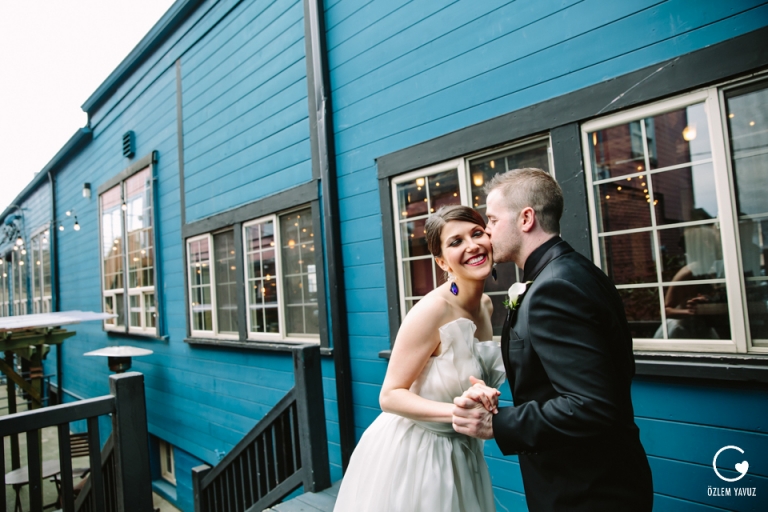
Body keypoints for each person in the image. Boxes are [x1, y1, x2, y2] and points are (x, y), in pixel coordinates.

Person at [452, 168, 654, 511]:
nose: (486, 231)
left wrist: (497, 423)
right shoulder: (573, 272)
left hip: (588, 490)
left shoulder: (554, 288)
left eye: (493, 219)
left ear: (526, 218)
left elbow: (591, 405)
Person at [333, 205, 505, 512]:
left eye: (477, 233)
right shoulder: (432, 311)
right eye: (456, 242)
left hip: (462, 452)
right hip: (418, 454)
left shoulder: (487, 306)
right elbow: (390, 396)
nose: (472, 245)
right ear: (441, 261)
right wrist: (457, 411)